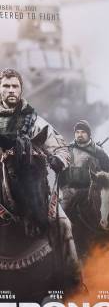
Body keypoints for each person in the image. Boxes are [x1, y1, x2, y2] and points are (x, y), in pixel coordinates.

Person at [0, 68, 80, 281]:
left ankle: (74, 280)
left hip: (31, 185)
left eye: (14, 86)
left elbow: (61, 147)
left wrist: (58, 160)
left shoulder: (33, 120)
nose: (10, 90)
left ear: (20, 89)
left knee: (63, 224)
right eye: (6, 85)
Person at [60, 120, 109, 215]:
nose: (79, 135)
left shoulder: (99, 152)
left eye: (83, 132)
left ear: (88, 134)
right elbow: (61, 174)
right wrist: (66, 189)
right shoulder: (67, 150)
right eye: (77, 132)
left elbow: (108, 173)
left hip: (93, 191)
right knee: (62, 215)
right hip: (71, 191)